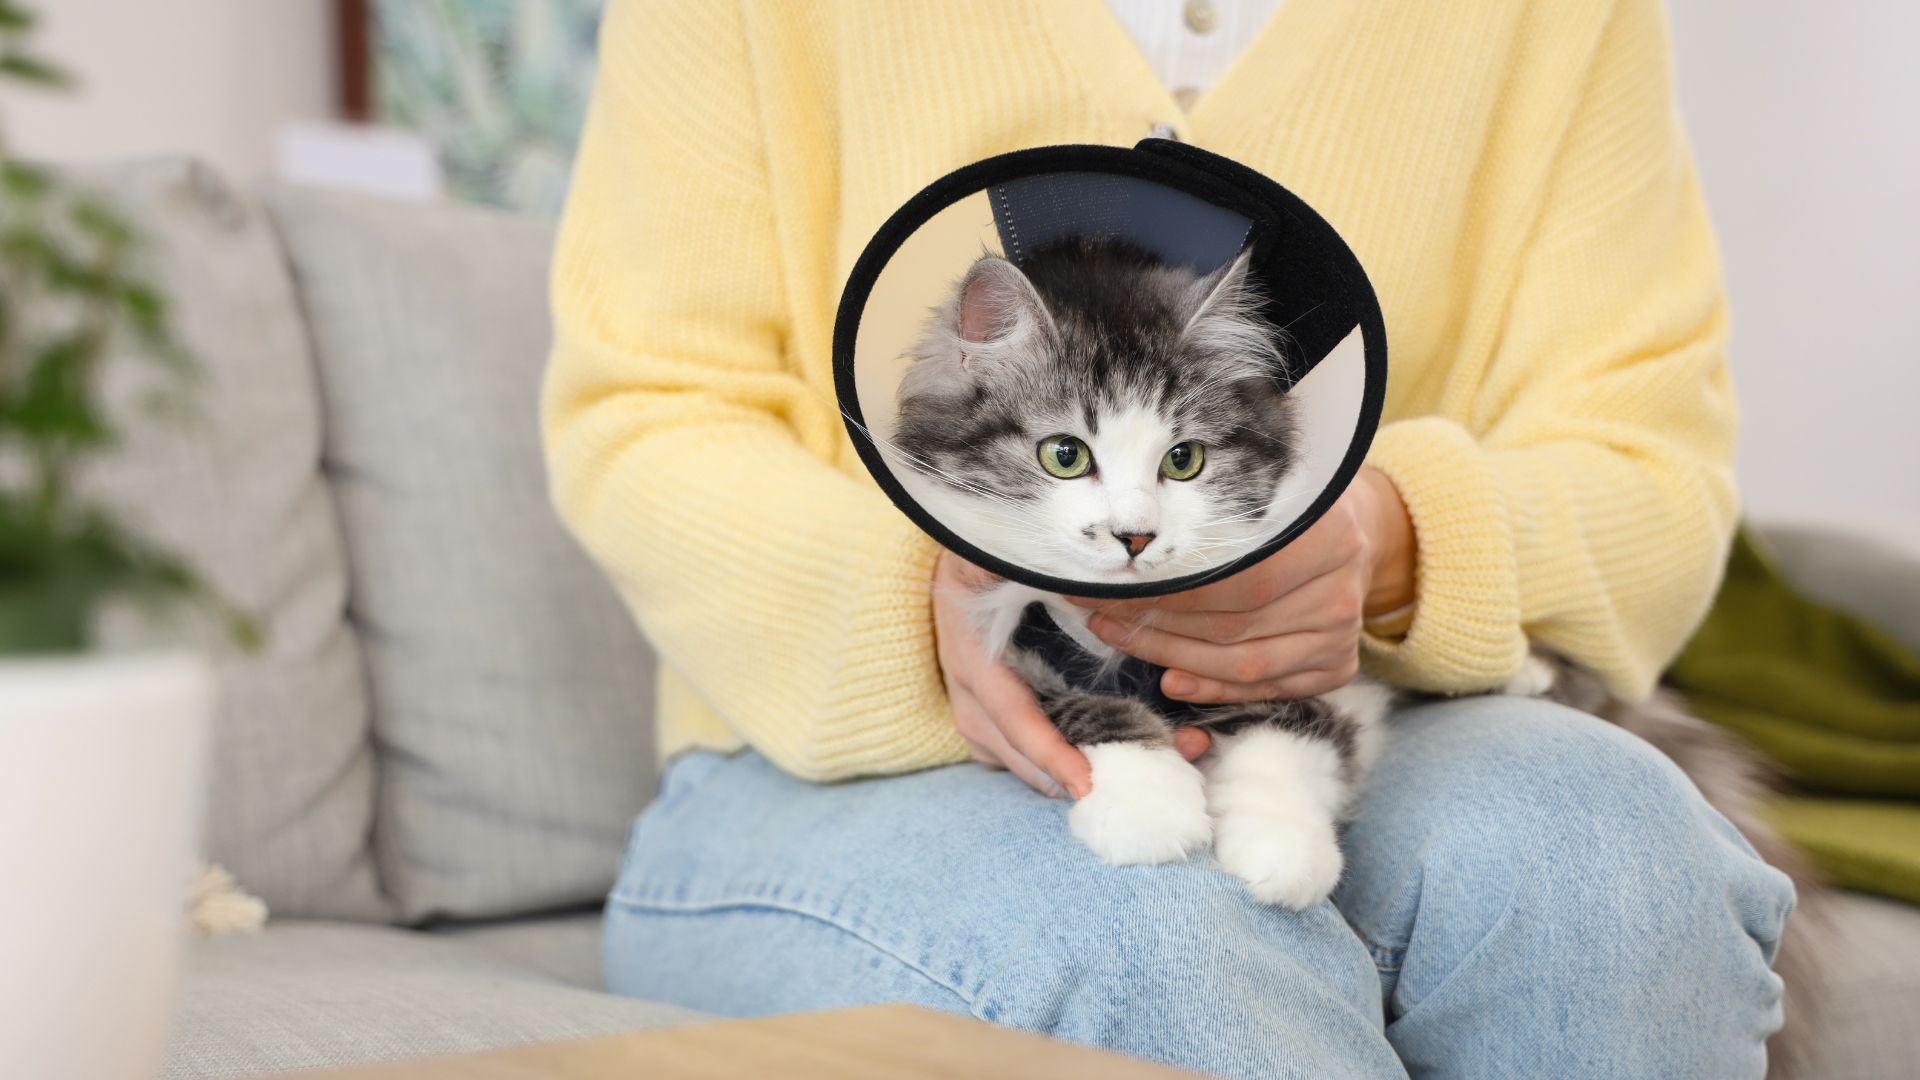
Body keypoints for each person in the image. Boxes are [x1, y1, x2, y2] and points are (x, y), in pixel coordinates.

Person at [542, 2, 1793, 1076]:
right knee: (1169, 938)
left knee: (1613, 862)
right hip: (811, 776)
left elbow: (1654, 471)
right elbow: (643, 414)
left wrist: (1396, 536)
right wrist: (926, 592)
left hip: (1357, 708)